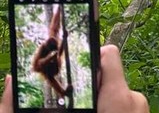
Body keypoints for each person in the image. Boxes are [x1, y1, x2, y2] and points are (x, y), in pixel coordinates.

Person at [0, 44, 149, 113]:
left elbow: (59, 86)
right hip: (45, 62)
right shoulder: (44, 67)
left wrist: (65, 91)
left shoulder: (53, 62)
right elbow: (54, 81)